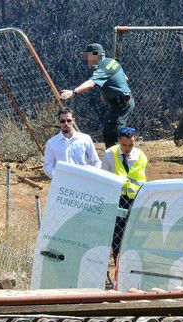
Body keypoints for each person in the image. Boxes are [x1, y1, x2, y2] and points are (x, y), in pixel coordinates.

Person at [60, 43, 135, 149]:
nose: (86, 59)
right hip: (122, 102)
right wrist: (106, 94)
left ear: (96, 55)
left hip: (122, 103)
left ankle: (120, 159)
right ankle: (118, 155)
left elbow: (90, 84)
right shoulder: (111, 61)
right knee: (110, 130)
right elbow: (123, 78)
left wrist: (73, 92)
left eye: (88, 56)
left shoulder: (103, 68)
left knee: (113, 132)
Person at [102, 127, 148, 260]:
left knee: (134, 229)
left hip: (135, 198)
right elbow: (104, 176)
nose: (127, 148)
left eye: (131, 145)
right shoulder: (109, 154)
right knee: (118, 230)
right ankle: (117, 258)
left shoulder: (140, 156)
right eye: (124, 145)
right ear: (118, 141)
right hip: (117, 197)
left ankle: (133, 257)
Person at [43, 108, 101, 179]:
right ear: (59, 122)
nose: (66, 123)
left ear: (73, 120)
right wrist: (58, 177)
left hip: (83, 180)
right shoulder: (51, 143)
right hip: (62, 183)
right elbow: (47, 167)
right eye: (63, 121)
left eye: (69, 120)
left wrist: (91, 176)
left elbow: (96, 161)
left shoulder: (85, 139)